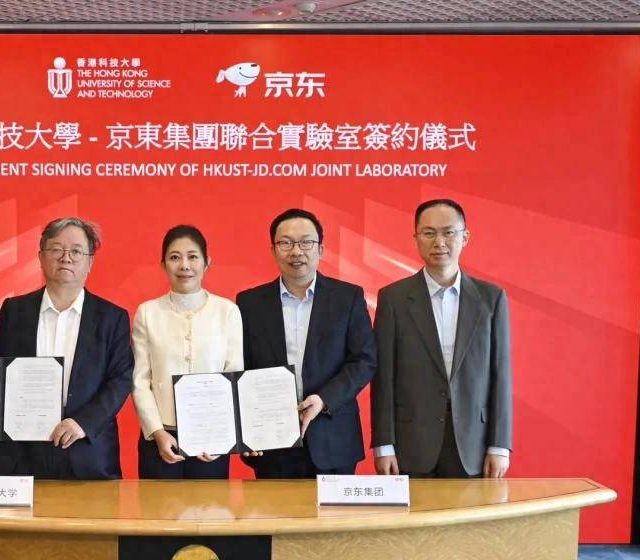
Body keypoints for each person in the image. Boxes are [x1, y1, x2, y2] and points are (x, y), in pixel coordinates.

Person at [0, 217, 133, 479]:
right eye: (56, 249)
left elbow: (121, 379)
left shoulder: (112, 317)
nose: (66, 257)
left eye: (76, 251)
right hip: (20, 451)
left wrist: (82, 423)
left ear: (90, 262)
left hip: (87, 451)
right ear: (41, 257)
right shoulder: (14, 311)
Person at [371, 198, 512, 478]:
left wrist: (499, 446)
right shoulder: (393, 298)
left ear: (465, 237)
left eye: (449, 232)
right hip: (411, 443)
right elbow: (383, 377)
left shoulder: (491, 298)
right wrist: (383, 445)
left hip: (473, 444)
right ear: (416, 239)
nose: (439, 242)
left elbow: (500, 374)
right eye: (429, 233)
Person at [236, 208, 377, 478]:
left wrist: (324, 399)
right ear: (273, 250)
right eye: (286, 243)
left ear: (320, 249)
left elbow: (364, 360)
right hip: (272, 441)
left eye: (306, 242)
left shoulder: (347, 298)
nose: (296, 251)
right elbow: (242, 366)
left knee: (335, 509)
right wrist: (247, 430)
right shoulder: (250, 303)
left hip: (333, 438)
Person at [131, 225, 244, 478]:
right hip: (160, 437)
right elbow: (140, 380)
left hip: (211, 438)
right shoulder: (147, 313)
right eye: (175, 257)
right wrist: (157, 432)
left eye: (193, 257)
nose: (184, 265)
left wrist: (221, 434)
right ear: (163, 265)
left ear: (207, 263)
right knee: (158, 504)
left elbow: (234, 375)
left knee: (209, 504)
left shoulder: (227, 311)